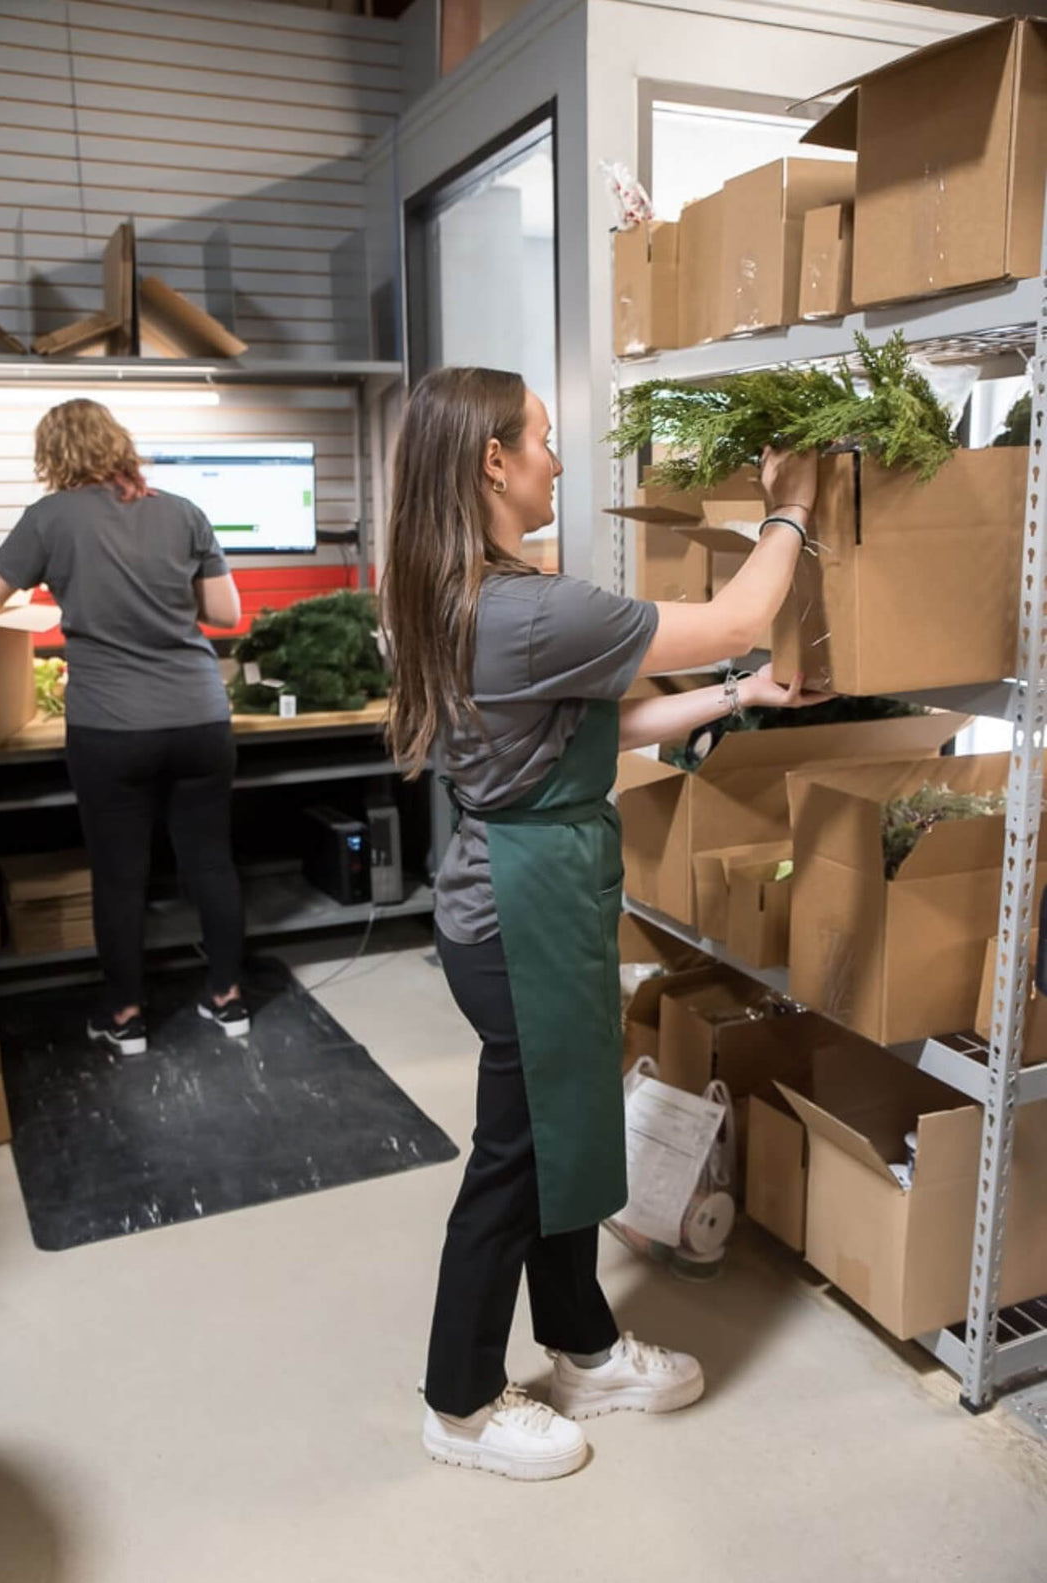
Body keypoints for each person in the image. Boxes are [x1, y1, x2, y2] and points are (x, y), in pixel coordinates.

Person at [382, 367, 824, 1482]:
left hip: (534, 888)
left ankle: (581, 1344)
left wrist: (737, 695)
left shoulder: (485, 592)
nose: (558, 459)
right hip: (517, 908)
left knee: (567, 1124)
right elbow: (739, 611)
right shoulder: (529, 607)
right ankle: (461, 1400)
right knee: (519, 1153)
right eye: (542, 438)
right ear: (493, 458)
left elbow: (603, 723)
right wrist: (793, 503)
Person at [0, 398, 250, 1055]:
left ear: (52, 456)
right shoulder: (184, 511)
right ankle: (228, 999)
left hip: (112, 727)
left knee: (120, 872)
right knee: (211, 860)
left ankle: (125, 1016)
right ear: (118, 443)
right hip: (201, 717)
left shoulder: (50, 517)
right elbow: (227, 612)